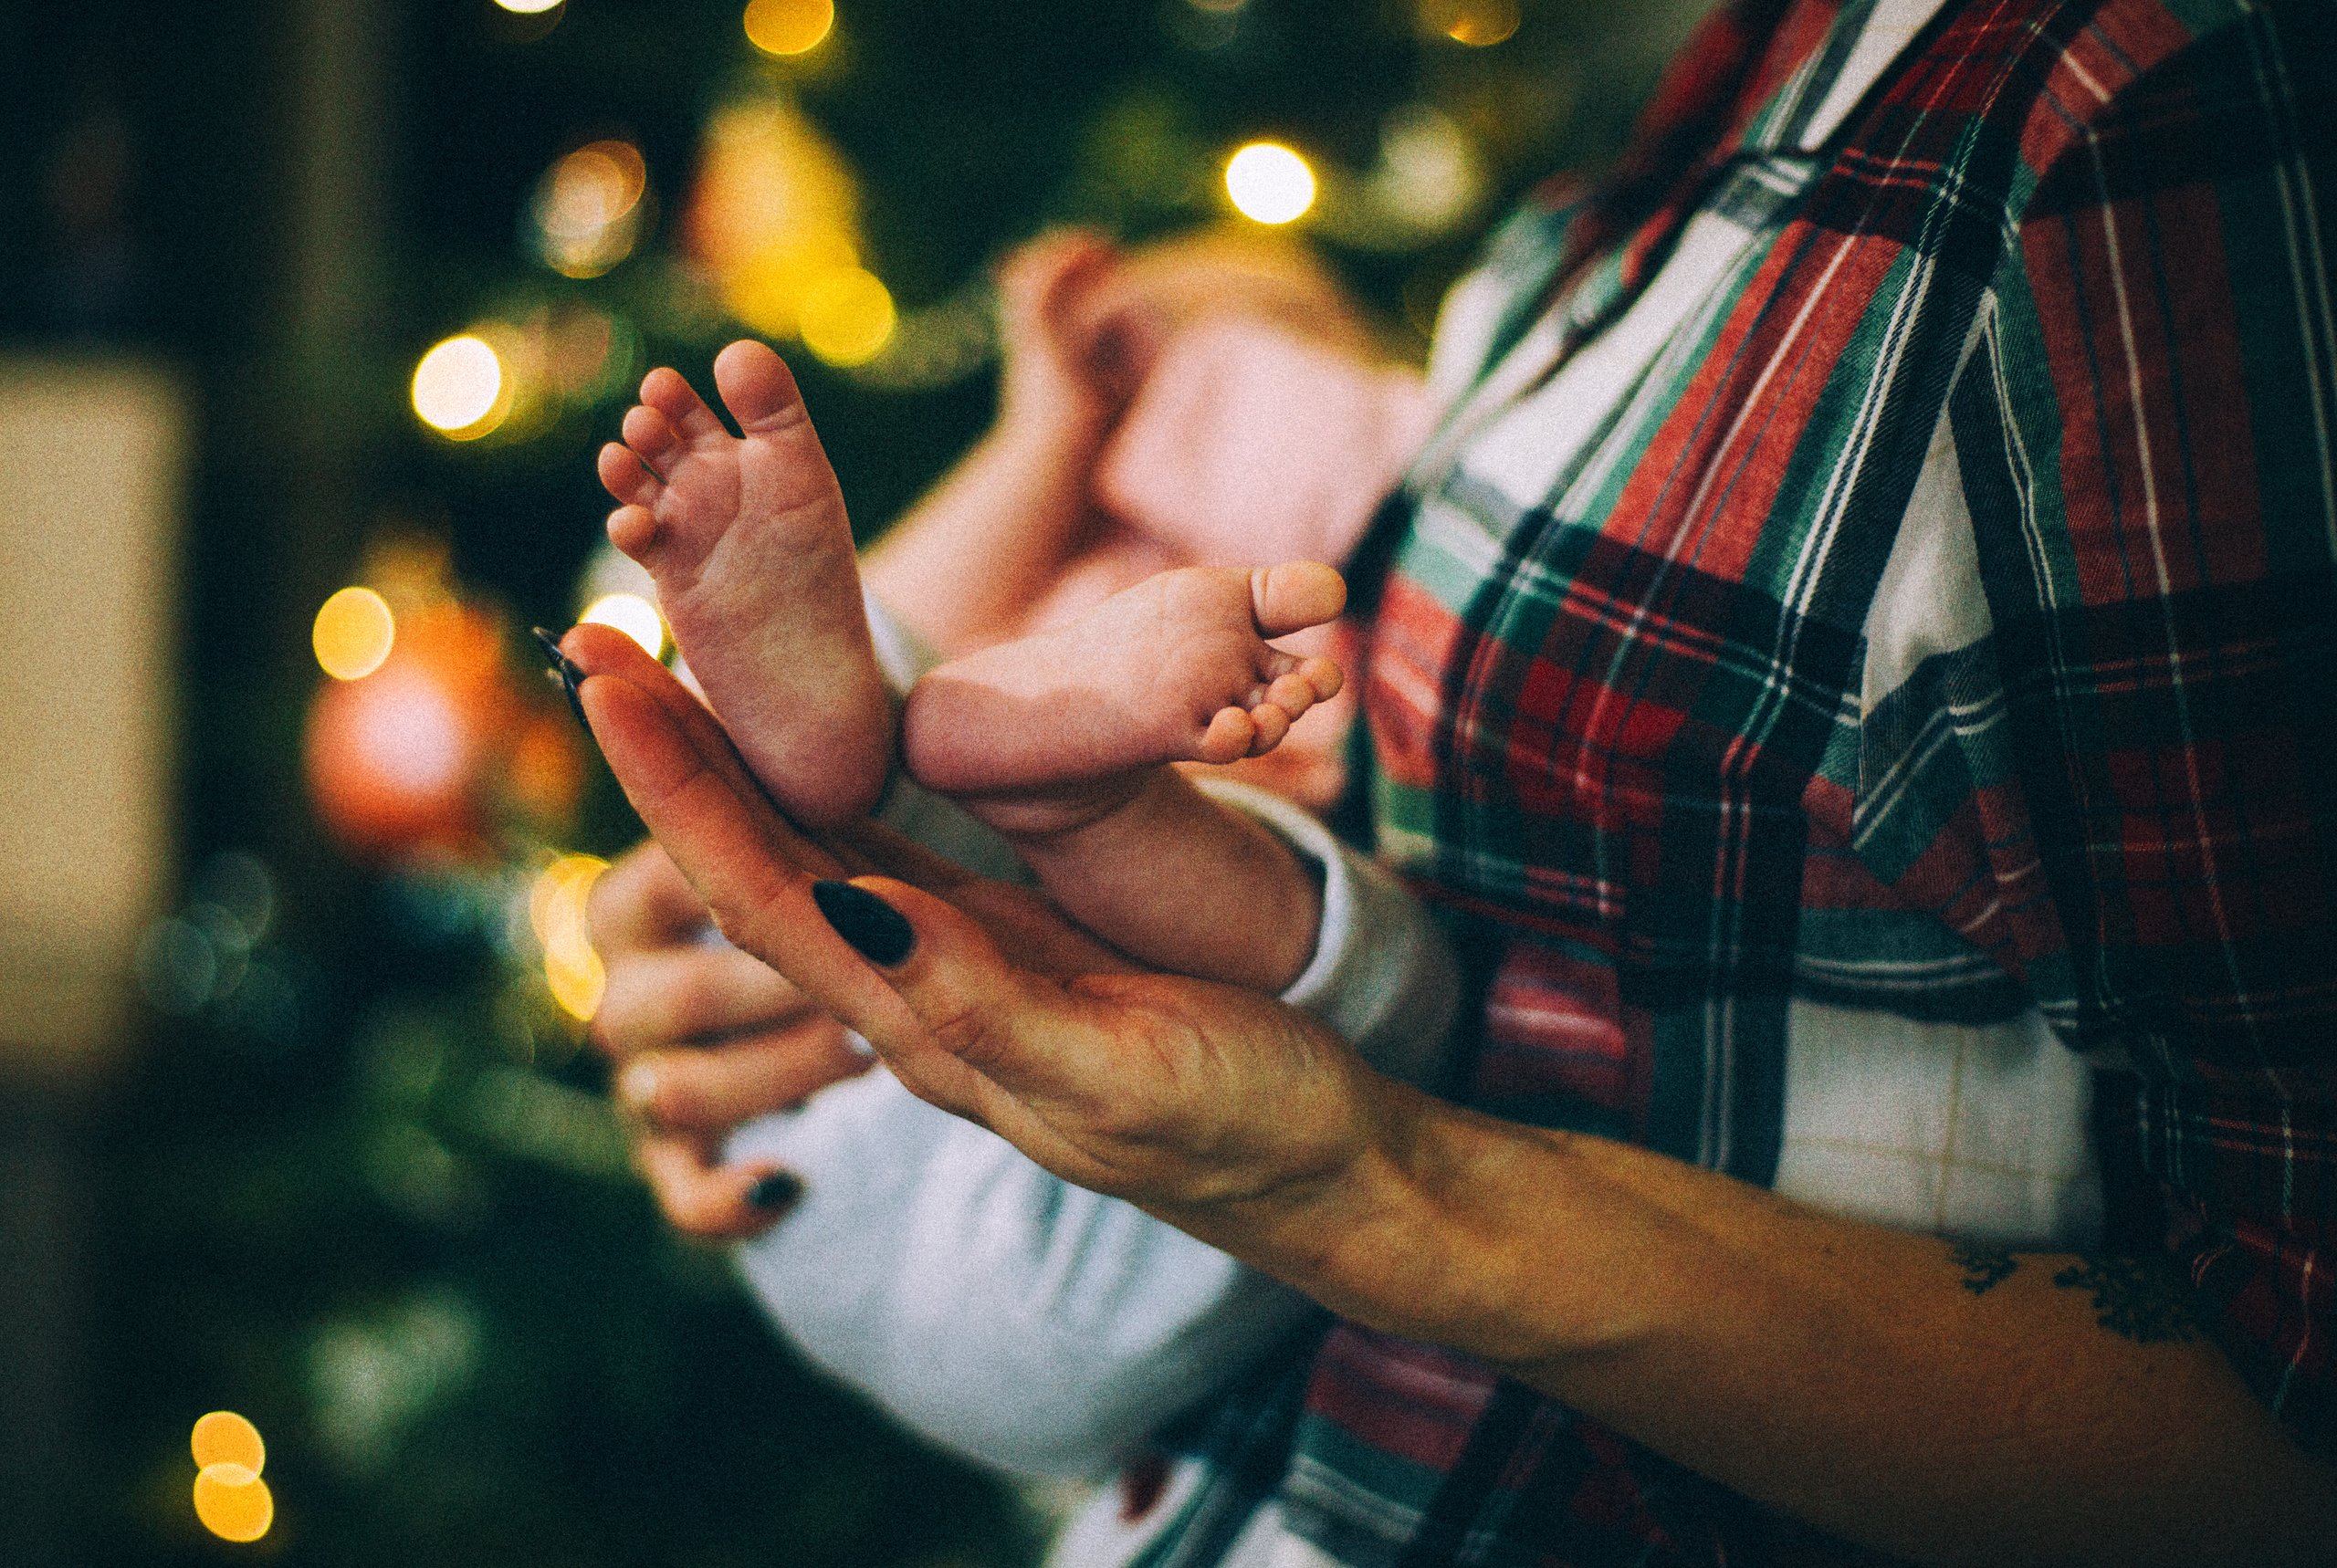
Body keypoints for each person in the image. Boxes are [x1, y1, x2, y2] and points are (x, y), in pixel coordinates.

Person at [567, 0, 2337, 1561]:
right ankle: (942, 765)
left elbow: (2286, 1401)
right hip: (995, 1137)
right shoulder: (1677, 131)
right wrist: (757, 948)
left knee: (1331, 956)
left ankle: (998, 776)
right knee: (1299, 942)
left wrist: (1360, 1174)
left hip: (1186, 1150)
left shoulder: (2127, 118)